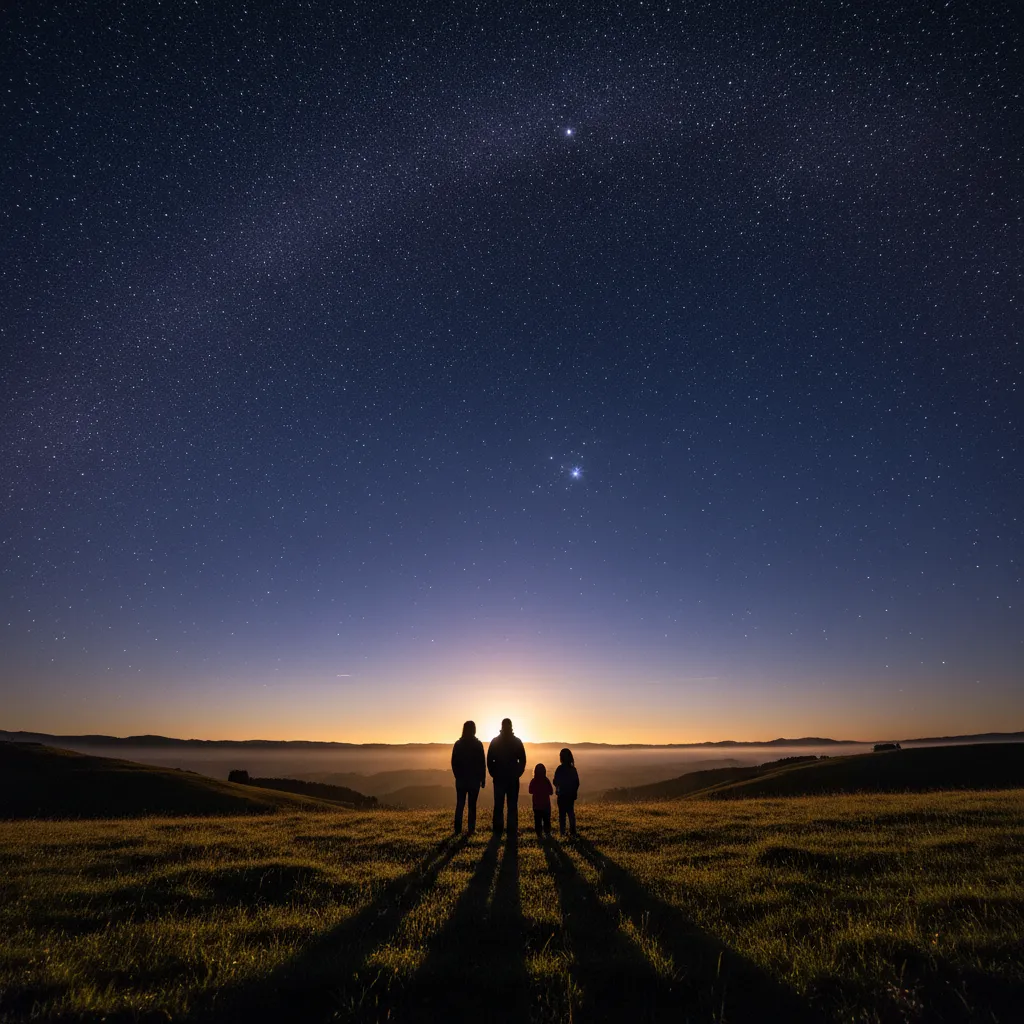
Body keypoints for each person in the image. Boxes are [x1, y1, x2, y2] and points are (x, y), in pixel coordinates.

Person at [487, 717, 527, 837]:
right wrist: (518, 773)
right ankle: (512, 829)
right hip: (512, 779)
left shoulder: (495, 741)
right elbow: (523, 760)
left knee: (499, 805)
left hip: (499, 778)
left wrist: (494, 773)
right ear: (511, 726)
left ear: (502, 726)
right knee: (512, 805)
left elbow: (489, 760)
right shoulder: (517, 741)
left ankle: (498, 830)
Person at [450, 720, 486, 833]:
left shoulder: (458, 744)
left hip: (461, 780)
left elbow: (453, 762)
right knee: (472, 805)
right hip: (474, 780)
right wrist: (482, 778)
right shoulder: (478, 744)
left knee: (460, 804)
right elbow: (482, 763)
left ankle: (457, 829)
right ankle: (471, 829)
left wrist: (457, 775)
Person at [553, 747, 579, 837]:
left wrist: (558, 788)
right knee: (571, 813)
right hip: (570, 795)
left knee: (562, 815)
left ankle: (562, 832)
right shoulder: (573, 769)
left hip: (562, 795)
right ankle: (573, 831)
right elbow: (577, 783)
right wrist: (574, 792)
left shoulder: (559, 769)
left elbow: (555, 781)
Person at [528, 763, 553, 837]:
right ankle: (547, 834)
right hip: (546, 805)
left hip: (536, 806)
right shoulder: (546, 780)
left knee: (538, 821)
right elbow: (551, 792)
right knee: (546, 821)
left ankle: (539, 834)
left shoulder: (533, 781)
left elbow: (530, 791)